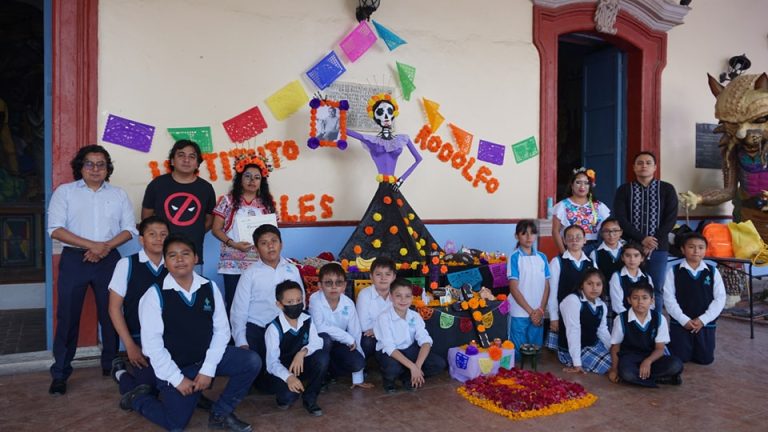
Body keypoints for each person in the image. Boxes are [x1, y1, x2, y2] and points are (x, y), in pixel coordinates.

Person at [121, 234, 261, 432]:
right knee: (176, 425)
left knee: (251, 361)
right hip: (176, 367)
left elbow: (222, 331)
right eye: (172, 255)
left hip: (205, 361)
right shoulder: (154, 295)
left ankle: (220, 413)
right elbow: (152, 346)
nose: (179, 259)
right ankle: (138, 399)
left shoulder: (209, 287)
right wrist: (177, 379)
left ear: (195, 258)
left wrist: (207, 370)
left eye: (185, 254)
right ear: (165, 262)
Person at [47, 144, 137, 395]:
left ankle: (111, 365)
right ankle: (61, 372)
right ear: (80, 167)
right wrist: (93, 245)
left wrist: (105, 247)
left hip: (109, 259)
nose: (95, 169)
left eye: (101, 164)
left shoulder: (118, 194)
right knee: (67, 316)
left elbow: (130, 229)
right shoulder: (65, 192)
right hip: (75, 259)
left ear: (108, 168)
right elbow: (55, 228)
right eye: (90, 163)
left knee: (111, 313)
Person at [339, 93, 441, 262]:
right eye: (381, 112)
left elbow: (418, 159)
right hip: (383, 188)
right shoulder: (372, 140)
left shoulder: (402, 139)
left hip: (394, 186)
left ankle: (409, 260)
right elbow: (345, 131)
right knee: (377, 222)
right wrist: (330, 110)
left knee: (405, 225)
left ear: (394, 113)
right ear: (374, 116)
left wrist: (401, 180)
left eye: (389, 111)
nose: (386, 116)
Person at [229, 224, 304, 388]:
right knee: (260, 378)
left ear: (281, 244)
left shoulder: (292, 270)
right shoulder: (250, 273)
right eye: (264, 243)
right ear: (256, 249)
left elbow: (300, 302)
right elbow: (238, 310)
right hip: (258, 330)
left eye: (274, 241)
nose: (270, 246)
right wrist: (242, 342)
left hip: (284, 330)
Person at [108, 216, 169, 395]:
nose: (159, 238)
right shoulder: (127, 264)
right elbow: (114, 308)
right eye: (152, 234)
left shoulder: (175, 264)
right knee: (147, 388)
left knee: (172, 381)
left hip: (170, 336)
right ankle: (121, 374)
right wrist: (130, 345)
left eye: (164, 234)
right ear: (141, 239)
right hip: (139, 337)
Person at [211, 155, 276, 316]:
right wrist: (234, 244)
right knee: (234, 302)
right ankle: (233, 338)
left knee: (257, 301)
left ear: (262, 181)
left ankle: (254, 335)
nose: (252, 181)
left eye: (256, 177)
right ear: (240, 178)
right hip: (232, 263)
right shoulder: (227, 201)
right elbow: (216, 229)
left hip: (258, 262)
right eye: (247, 176)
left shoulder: (267, 204)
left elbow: (272, 232)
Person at [613, 151, 679, 312]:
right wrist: (642, 239)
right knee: (631, 287)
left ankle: (655, 325)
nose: (644, 166)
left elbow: (670, 219)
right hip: (632, 248)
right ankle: (630, 324)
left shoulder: (667, 189)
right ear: (634, 168)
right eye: (640, 163)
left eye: (648, 163)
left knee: (656, 287)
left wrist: (653, 240)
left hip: (658, 248)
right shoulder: (624, 190)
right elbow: (621, 219)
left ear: (655, 167)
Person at [141, 139, 216, 263]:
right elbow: (146, 217)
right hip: (161, 254)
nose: (186, 160)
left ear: (197, 163)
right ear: (172, 161)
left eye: (192, 157)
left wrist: (194, 231)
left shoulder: (206, 188)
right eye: (181, 155)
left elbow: (209, 220)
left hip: (192, 253)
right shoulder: (157, 184)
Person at [264, 280, 329, 416]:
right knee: (288, 397)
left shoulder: (307, 319)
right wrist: (289, 377)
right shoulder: (274, 329)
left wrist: (302, 352)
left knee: (322, 357)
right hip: (282, 371)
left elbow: (317, 342)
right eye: (290, 302)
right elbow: (272, 363)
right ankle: (284, 394)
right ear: (279, 305)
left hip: (300, 364)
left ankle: (310, 398)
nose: (296, 305)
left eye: (299, 300)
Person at [373, 278, 446, 393]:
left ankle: (408, 377)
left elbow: (425, 341)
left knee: (438, 364)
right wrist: (413, 367)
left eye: (407, 296)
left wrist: (418, 365)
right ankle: (389, 380)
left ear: (412, 298)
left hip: (410, 350)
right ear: (391, 297)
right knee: (392, 369)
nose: (403, 300)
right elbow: (389, 348)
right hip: (391, 353)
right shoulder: (384, 318)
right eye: (398, 296)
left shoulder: (415, 316)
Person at [663, 233, 726, 365]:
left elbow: (720, 299)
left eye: (701, 247)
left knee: (705, 359)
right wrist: (683, 320)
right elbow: (669, 299)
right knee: (680, 358)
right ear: (682, 249)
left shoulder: (712, 271)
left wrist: (703, 320)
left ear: (705, 250)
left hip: (704, 324)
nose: (696, 251)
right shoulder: (674, 271)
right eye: (691, 247)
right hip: (681, 324)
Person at [309, 263, 373, 389]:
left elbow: (355, 333)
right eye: (328, 283)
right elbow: (319, 327)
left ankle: (332, 371)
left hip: (339, 343)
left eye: (338, 283)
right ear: (320, 285)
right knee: (325, 339)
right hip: (318, 344)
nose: (334, 287)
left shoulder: (348, 304)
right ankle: (320, 375)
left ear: (344, 285)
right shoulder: (314, 300)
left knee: (358, 363)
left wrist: (358, 377)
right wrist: (347, 338)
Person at [608, 283, 683, 387]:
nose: (640, 302)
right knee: (626, 373)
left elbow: (660, 348)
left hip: (651, 356)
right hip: (629, 357)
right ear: (629, 300)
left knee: (676, 364)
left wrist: (648, 361)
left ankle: (642, 378)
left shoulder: (660, 319)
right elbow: (615, 347)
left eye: (644, 298)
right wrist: (614, 369)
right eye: (635, 298)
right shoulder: (621, 319)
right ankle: (659, 379)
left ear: (651, 301)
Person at [506, 220, 551, 358]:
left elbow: (546, 286)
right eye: (524, 234)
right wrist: (531, 312)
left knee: (534, 352)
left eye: (532, 233)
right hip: (520, 311)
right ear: (517, 236)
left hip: (538, 312)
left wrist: (540, 310)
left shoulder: (542, 257)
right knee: (518, 353)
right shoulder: (514, 257)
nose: (529, 237)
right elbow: (514, 288)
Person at [546, 225, 594, 350]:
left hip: (585, 313)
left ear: (585, 240)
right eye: (570, 237)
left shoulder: (591, 263)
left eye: (578, 237)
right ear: (564, 240)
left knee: (585, 346)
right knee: (567, 349)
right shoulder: (557, 262)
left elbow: (595, 290)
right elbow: (553, 292)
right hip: (564, 314)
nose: (574, 240)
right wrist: (554, 317)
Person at [557, 269, 612, 375]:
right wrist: (577, 363)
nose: (594, 288)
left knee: (618, 361)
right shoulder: (573, 300)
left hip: (593, 344)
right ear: (582, 285)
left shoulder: (601, 305)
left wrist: (613, 349)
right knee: (610, 368)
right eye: (590, 284)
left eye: (598, 284)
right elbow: (573, 331)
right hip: (573, 349)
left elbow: (602, 330)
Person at [552, 167, 610, 255]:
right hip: (571, 247)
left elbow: (607, 228)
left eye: (586, 183)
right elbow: (555, 231)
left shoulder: (599, 206)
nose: (582, 186)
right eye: (578, 182)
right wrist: (564, 253)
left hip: (595, 248)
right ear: (571, 185)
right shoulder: (562, 205)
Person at [355, 256, 396, 360]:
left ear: (394, 277)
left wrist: (377, 330)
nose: (383, 278)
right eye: (378, 274)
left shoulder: (398, 294)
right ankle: (365, 364)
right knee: (366, 341)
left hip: (391, 334)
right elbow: (364, 325)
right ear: (371, 277)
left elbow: (399, 320)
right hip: (372, 337)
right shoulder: (364, 295)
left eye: (388, 274)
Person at [609, 242, 653, 315]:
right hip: (623, 318)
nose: (632, 259)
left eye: (636, 256)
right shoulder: (617, 277)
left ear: (642, 258)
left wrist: (643, 317)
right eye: (628, 255)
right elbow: (617, 305)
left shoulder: (647, 278)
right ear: (622, 258)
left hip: (644, 318)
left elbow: (651, 302)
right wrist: (632, 318)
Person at [589, 216, 625, 286]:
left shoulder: (627, 250)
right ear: (601, 234)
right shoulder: (595, 254)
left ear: (621, 232)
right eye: (606, 231)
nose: (611, 235)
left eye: (615, 231)